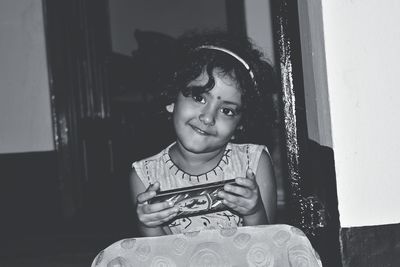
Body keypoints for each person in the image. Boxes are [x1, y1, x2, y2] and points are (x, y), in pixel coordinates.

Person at [130, 31, 277, 237]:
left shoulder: (252, 163)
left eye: (227, 110)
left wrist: (254, 211)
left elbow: (268, 246)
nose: (208, 118)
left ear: (240, 126)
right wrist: (148, 224)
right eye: (199, 98)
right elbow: (156, 255)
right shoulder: (145, 175)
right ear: (171, 99)